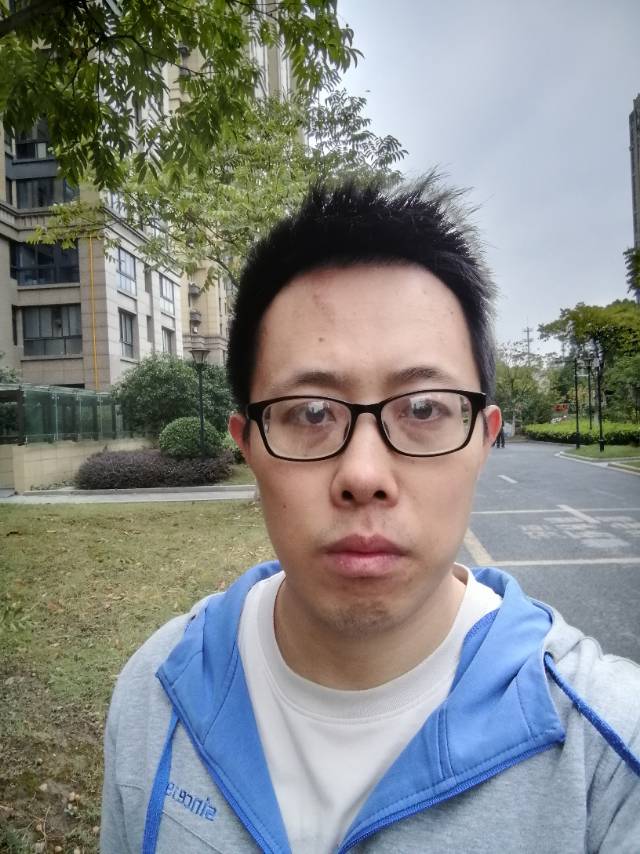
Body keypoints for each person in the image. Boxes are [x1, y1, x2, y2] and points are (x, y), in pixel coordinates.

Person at [100, 181, 640, 854]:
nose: (363, 476)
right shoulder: (155, 697)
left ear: (483, 439)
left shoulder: (608, 757)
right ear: (249, 448)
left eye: (422, 409)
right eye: (311, 413)